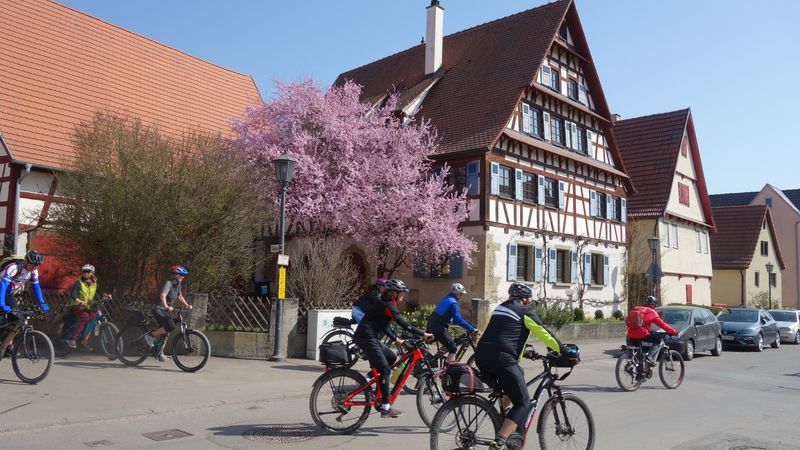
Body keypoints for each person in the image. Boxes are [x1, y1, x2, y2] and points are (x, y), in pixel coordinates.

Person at [474, 282, 569, 450]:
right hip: (501, 359)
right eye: (529, 300)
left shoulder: (501, 308)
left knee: (518, 373)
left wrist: (524, 351)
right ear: (525, 299)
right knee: (524, 402)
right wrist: (563, 349)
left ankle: (505, 415)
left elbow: (504, 333)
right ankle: (500, 442)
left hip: (481, 356)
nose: (529, 302)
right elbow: (544, 333)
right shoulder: (525, 311)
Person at [353, 278, 433, 418]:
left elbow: (384, 325)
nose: (403, 296)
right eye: (402, 293)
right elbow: (403, 323)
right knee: (385, 369)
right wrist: (423, 334)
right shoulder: (388, 305)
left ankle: (367, 381)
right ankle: (385, 407)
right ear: (394, 293)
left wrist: (396, 339)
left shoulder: (386, 303)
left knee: (391, 357)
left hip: (370, 337)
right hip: (366, 337)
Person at [148, 265, 193, 362]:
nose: (183, 277)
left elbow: (180, 296)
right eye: (181, 275)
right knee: (170, 326)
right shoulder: (168, 283)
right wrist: (166, 306)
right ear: (176, 275)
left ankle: (159, 352)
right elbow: (163, 295)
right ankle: (150, 335)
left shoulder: (178, 284)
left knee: (167, 330)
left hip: (164, 310)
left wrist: (187, 305)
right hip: (158, 309)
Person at [427, 282, 479, 363]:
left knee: (449, 342)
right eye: (461, 294)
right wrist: (471, 329)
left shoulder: (447, 298)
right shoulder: (453, 303)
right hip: (438, 328)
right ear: (458, 294)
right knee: (453, 348)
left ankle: (433, 360)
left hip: (434, 325)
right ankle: (450, 369)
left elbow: (452, 319)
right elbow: (458, 319)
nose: (461, 296)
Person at [626, 295, 678, 365]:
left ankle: (639, 369)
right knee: (658, 340)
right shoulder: (652, 312)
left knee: (639, 357)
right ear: (652, 305)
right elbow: (663, 325)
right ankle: (649, 357)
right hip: (641, 333)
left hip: (630, 334)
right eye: (654, 305)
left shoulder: (637, 309)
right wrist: (674, 332)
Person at [0, 250, 49, 318]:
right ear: (26, 261)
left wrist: (41, 303)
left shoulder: (33, 272)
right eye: (32, 265)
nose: (34, 268)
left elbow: (36, 287)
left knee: (15, 317)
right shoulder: (14, 268)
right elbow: (3, 285)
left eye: (36, 266)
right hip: (1, 290)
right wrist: (2, 303)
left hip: (7, 294)